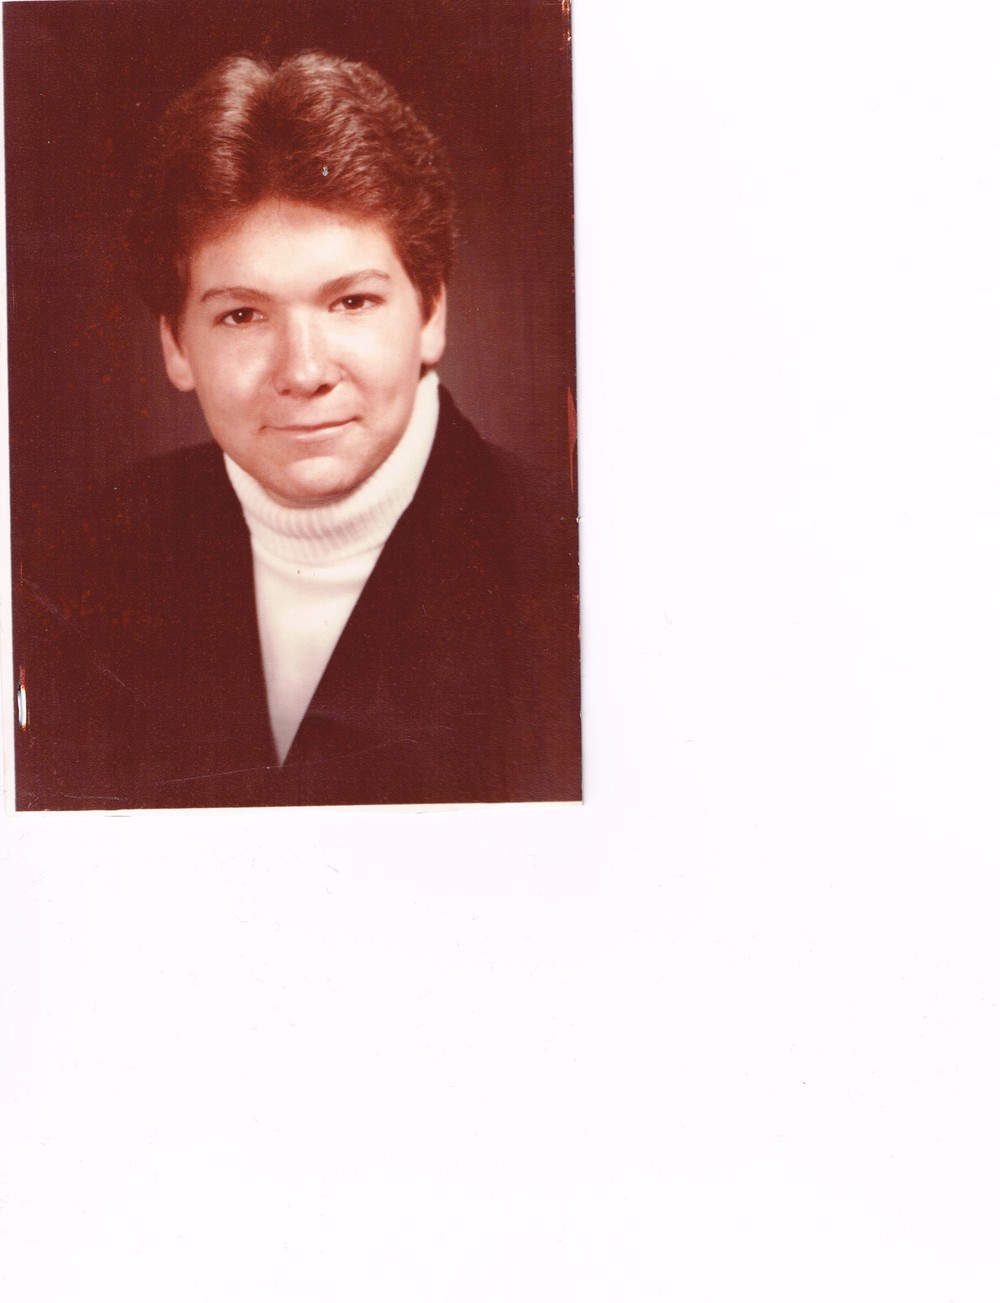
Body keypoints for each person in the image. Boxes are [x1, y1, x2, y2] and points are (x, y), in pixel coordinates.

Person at [14, 51, 581, 810]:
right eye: (243, 315)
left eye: (352, 302)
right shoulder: (79, 563)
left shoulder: (574, 567)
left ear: (431, 312)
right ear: (176, 345)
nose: (304, 371)